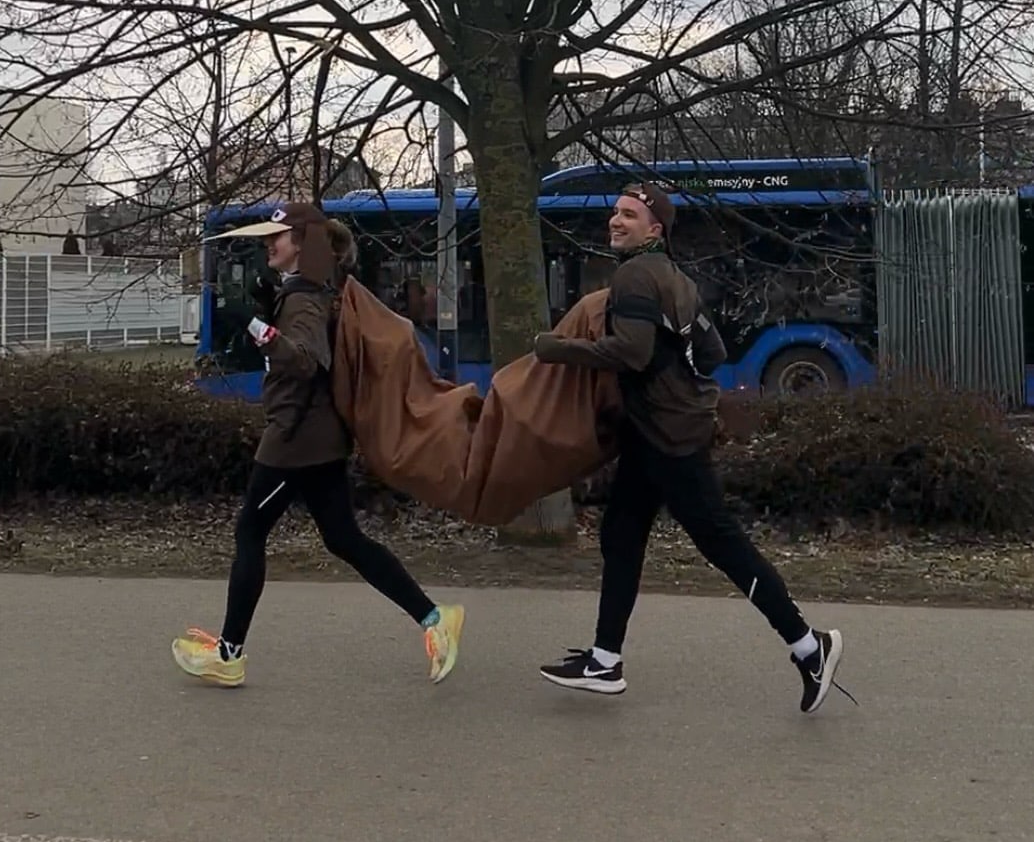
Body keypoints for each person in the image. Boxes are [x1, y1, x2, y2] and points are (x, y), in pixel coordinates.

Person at [532, 183, 848, 715]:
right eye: (615, 211)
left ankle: (810, 648)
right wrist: (683, 384)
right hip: (660, 432)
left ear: (654, 230)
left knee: (721, 543)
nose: (616, 220)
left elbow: (630, 353)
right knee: (622, 533)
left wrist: (555, 348)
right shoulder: (675, 278)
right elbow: (713, 350)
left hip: (668, 439)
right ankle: (605, 661)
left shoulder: (635, 275)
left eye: (629, 215)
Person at [172, 201, 464, 688]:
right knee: (343, 539)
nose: (269, 244)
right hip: (319, 434)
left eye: (278, 238)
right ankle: (436, 619)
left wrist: (251, 321)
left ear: (303, 246)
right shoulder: (310, 291)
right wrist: (269, 309)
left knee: (250, 532)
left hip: (296, 439)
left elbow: (305, 360)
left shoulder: (305, 297)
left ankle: (229, 655)